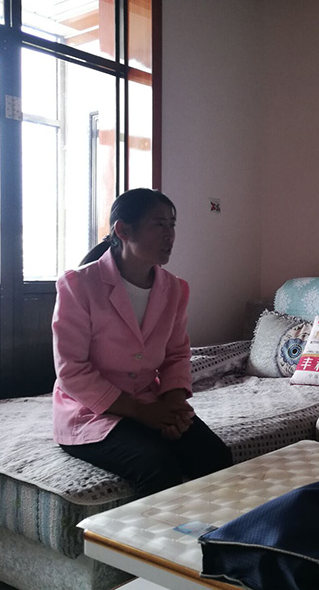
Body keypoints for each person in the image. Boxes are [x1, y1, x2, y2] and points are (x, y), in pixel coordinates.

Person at [52, 188, 233, 496]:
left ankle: (217, 527)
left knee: (216, 457)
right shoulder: (79, 285)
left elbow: (176, 355)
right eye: (159, 224)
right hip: (91, 411)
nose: (170, 234)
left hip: (152, 402)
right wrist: (141, 412)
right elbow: (71, 370)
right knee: (157, 466)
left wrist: (173, 405)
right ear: (123, 230)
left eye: (172, 225)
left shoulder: (174, 288)